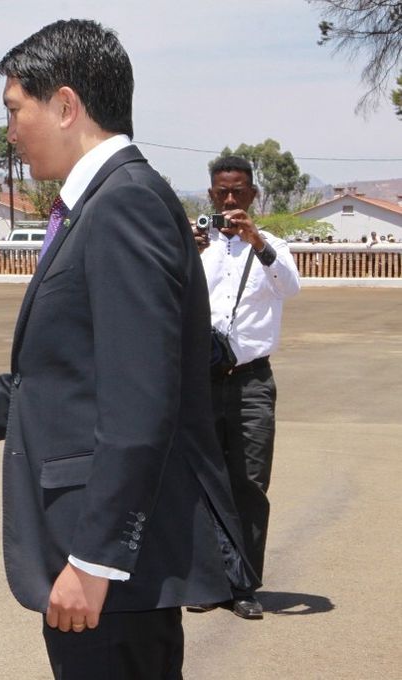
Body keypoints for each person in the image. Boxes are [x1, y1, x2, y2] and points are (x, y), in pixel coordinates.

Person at [0, 19, 256, 679]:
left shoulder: (123, 206)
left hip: (110, 578)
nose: (9, 133)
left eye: (15, 110)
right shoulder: (106, 206)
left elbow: (141, 404)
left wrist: (95, 560)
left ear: (66, 105)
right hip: (108, 571)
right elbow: (62, 381)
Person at [193, 155, 301, 619]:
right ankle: (208, 580)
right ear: (211, 196)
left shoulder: (271, 245)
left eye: (239, 191)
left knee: (250, 484)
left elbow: (290, 287)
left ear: (253, 195)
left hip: (252, 382)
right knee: (203, 483)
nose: (231, 199)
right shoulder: (199, 246)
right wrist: (187, 248)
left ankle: (243, 585)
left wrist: (257, 242)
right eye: (222, 192)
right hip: (201, 380)